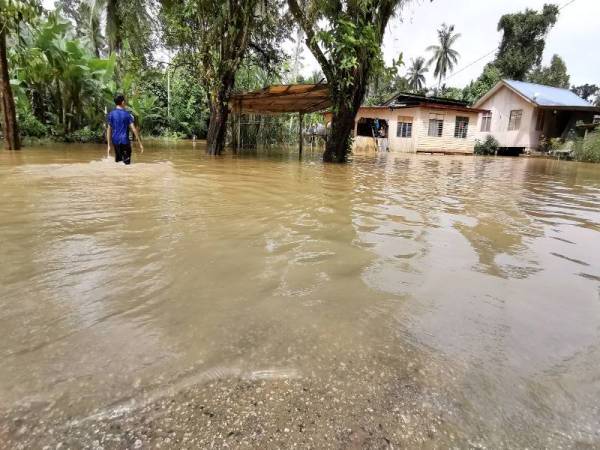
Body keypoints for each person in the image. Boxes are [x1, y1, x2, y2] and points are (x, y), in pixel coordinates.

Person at [106, 94, 144, 164]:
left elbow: (108, 130)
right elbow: (133, 129)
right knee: (126, 164)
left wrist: (108, 145)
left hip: (115, 141)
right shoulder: (127, 114)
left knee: (119, 162)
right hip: (125, 141)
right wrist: (140, 143)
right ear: (123, 102)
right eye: (125, 101)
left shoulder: (111, 114)